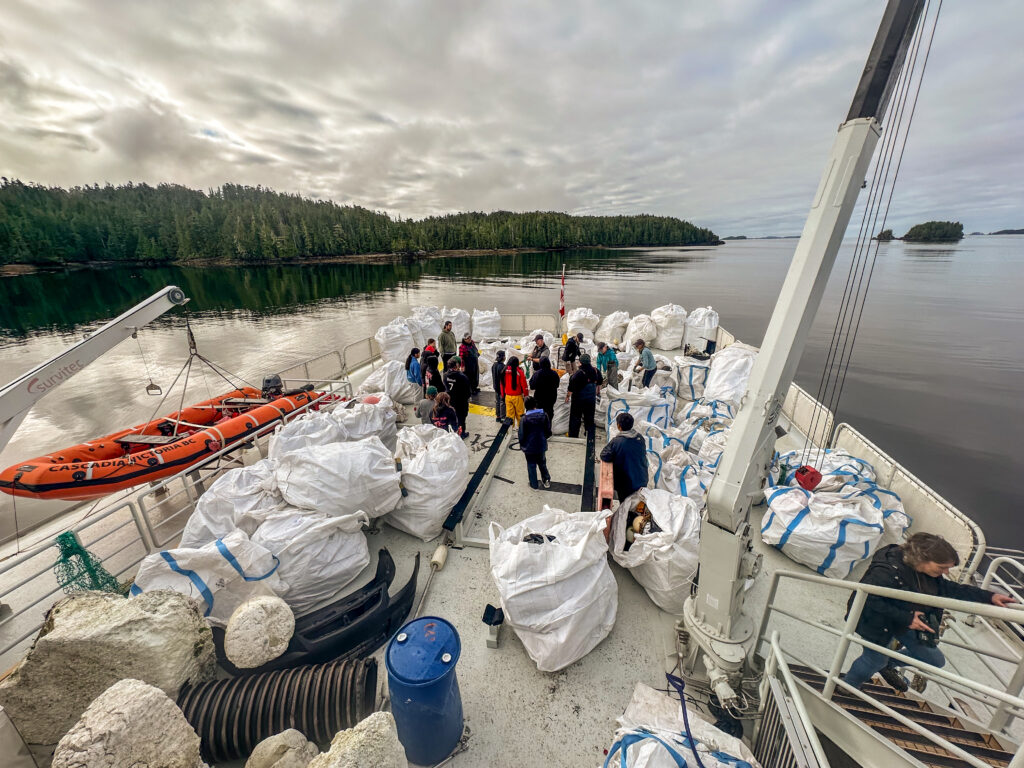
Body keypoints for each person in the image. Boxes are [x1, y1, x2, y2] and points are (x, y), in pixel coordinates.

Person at [843, 533, 1015, 692]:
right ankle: (848, 686)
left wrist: (989, 597)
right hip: (876, 621)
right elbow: (869, 600)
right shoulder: (886, 571)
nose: (946, 572)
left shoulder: (926, 571)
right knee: (874, 659)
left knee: (934, 660)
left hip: (906, 619)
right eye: (942, 567)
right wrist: (907, 618)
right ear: (922, 559)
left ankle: (888, 664)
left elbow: (949, 588)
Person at [600, 412, 648, 502]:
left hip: (627, 484)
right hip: (642, 479)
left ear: (618, 426)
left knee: (625, 505)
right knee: (636, 504)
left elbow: (604, 456)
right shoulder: (640, 438)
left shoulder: (617, 441)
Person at [518, 396, 552, 490]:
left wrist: (522, 444)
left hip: (529, 447)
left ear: (526, 407)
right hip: (541, 445)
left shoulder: (524, 419)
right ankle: (546, 481)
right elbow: (548, 431)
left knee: (531, 465)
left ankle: (534, 485)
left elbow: (521, 434)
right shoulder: (544, 415)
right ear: (535, 404)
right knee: (542, 463)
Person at [566, 353, 601, 438]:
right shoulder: (596, 371)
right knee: (589, 419)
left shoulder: (578, 374)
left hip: (578, 401)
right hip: (590, 400)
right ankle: (590, 436)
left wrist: (567, 396)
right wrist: (597, 392)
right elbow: (599, 383)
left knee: (575, 418)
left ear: (580, 363)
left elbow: (571, 388)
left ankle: (573, 436)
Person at [444, 357, 471, 438]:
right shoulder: (462, 377)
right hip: (461, 401)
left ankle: (453, 431)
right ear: (456, 366)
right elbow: (467, 391)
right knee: (462, 418)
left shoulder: (445, 375)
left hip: (450, 400)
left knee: (452, 416)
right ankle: (461, 433)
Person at [529, 357, 560, 423]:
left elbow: (532, 386)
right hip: (551, 398)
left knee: (539, 415)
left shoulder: (537, 374)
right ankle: (548, 430)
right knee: (549, 414)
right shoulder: (554, 374)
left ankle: (540, 430)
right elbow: (557, 385)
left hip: (539, 398)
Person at [503, 356, 528, 427]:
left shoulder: (504, 371)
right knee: (520, 415)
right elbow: (524, 385)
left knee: (509, 415)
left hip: (507, 396)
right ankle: (521, 430)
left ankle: (509, 431)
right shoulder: (519, 372)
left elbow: (502, 384)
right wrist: (526, 396)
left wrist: (503, 395)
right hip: (517, 396)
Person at [491, 350, 507, 423]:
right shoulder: (503, 367)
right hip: (501, 387)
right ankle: (503, 417)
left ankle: (498, 416)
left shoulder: (494, 365)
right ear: (503, 357)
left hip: (495, 386)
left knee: (497, 402)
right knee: (502, 402)